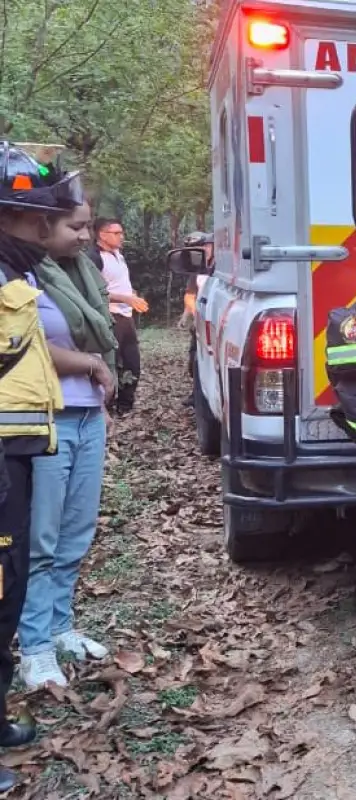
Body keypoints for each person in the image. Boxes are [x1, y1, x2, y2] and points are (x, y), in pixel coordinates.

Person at [0, 140, 80, 791]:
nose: (42, 231)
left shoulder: (16, 274)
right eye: (30, 221)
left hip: (18, 456)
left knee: (12, 586)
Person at [18, 197, 118, 688]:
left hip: (86, 416)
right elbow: (30, 344)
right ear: (43, 225)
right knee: (41, 537)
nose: (85, 235)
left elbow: (103, 336)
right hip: (44, 417)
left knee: (76, 531)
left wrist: (101, 381)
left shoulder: (80, 272)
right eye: (75, 226)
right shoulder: (23, 274)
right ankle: (33, 645)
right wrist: (91, 364)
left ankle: (60, 627)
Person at [94, 217, 149, 415]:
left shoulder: (118, 254)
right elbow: (96, 292)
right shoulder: (95, 258)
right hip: (110, 317)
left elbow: (120, 283)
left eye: (121, 233)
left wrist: (132, 296)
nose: (121, 237)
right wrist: (124, 299)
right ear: (102, 234)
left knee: (132, 362)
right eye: (116, 233)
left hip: (126, 317)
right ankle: (105, 406)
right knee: (111, 362)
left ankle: (126, 405)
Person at [178, 231, 213, 408]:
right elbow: (190, 294)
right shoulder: (196, 270)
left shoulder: (220, 268)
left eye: (204, 247)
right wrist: (188, 314)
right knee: (194, 360)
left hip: (215, 324)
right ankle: (196, 392)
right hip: (199, 323)